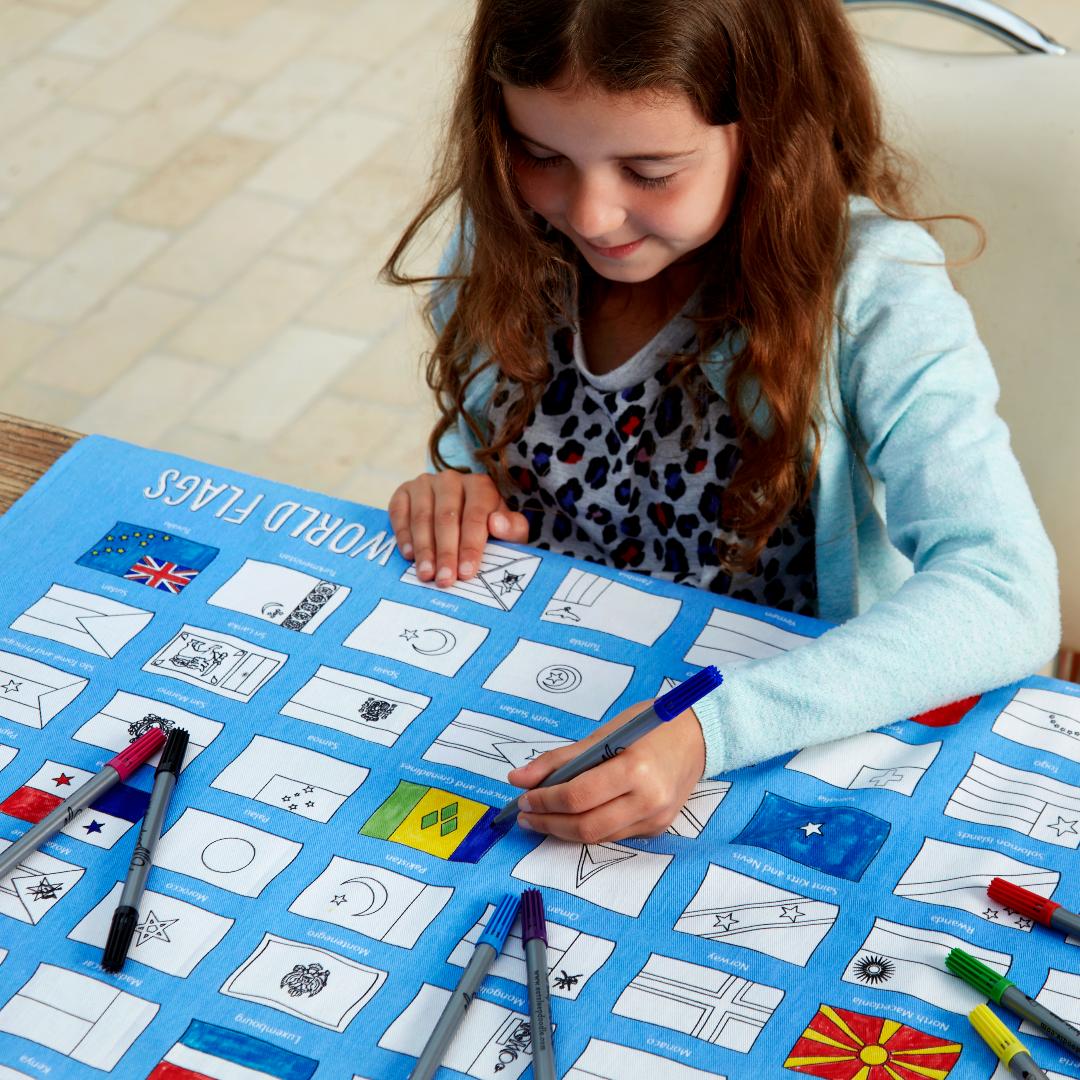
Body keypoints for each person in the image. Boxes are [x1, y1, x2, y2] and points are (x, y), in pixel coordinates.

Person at [382, 0, 1059, 843]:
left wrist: (711, 733)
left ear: (771, 130)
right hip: (541, 700)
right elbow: (476, 446)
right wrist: (456, 485)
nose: (589, 215)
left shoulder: (874, 289)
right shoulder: (510, 241)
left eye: (652, 170)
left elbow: (1005, 590)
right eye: (541, 153)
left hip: (775, 742)